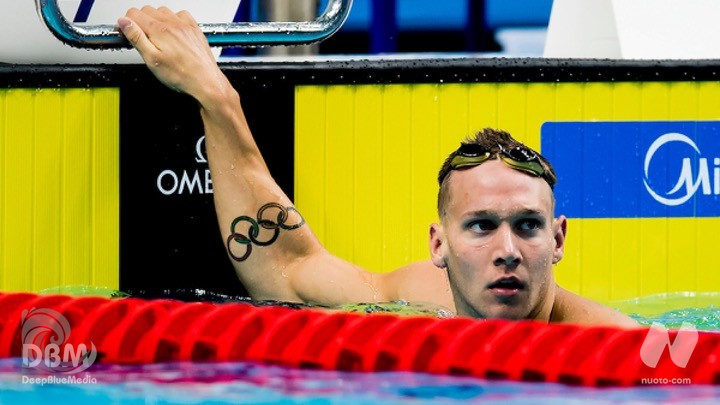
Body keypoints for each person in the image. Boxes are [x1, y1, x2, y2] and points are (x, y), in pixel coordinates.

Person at [117, 6, 638, 327]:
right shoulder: (417, 302)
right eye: (481, 226)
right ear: (439, 244)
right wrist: (216, 95)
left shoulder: (623, 348)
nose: (507, 252)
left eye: (527, 226)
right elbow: (289, 270)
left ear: (559, 239)